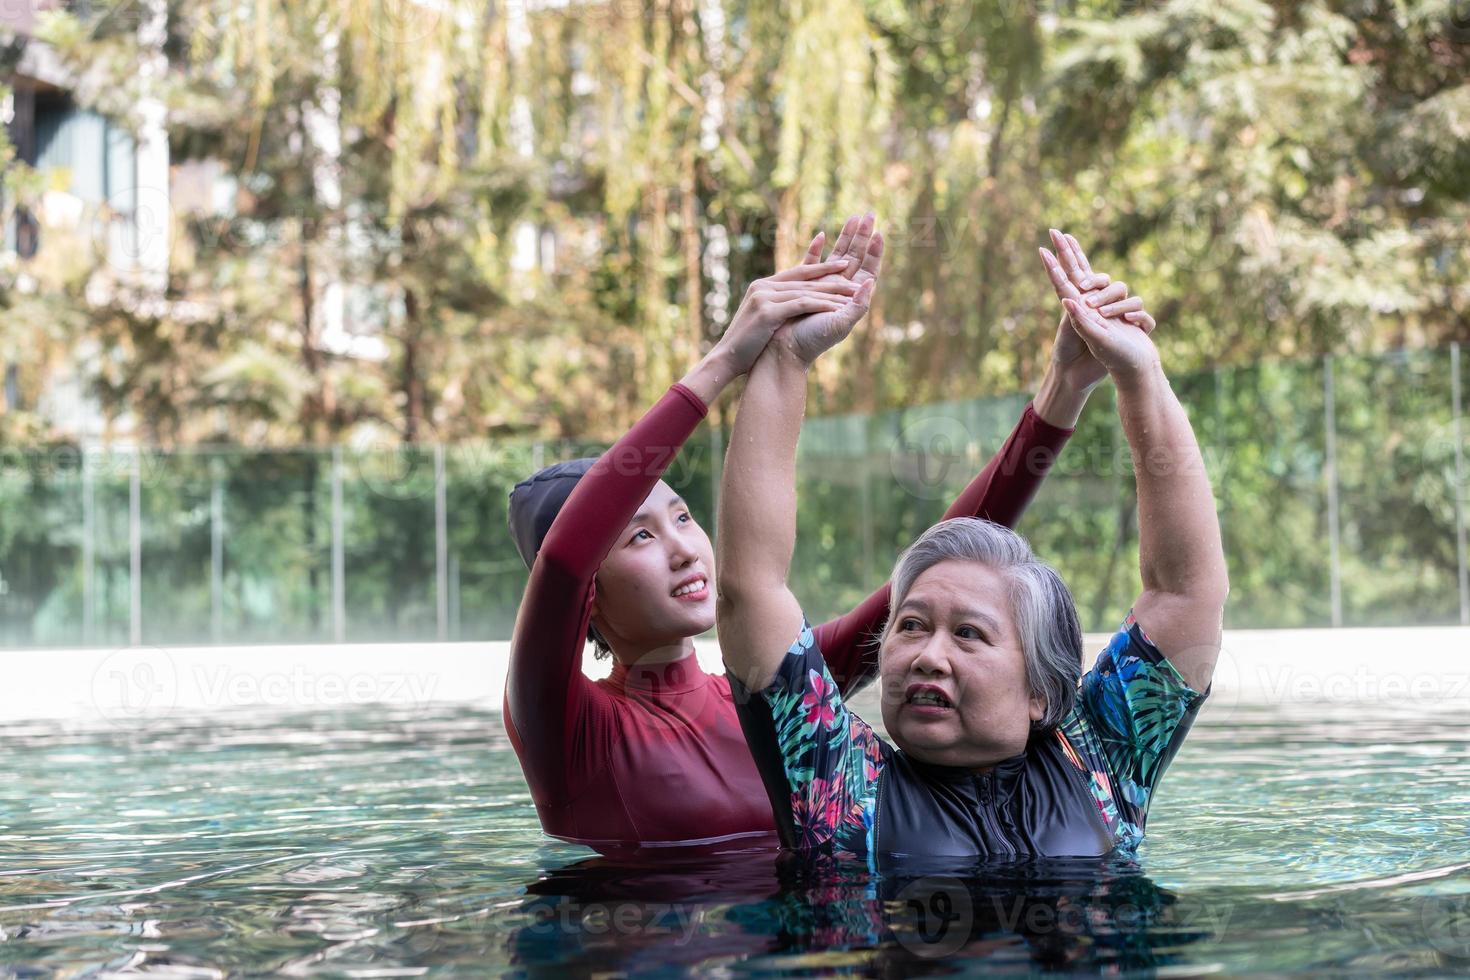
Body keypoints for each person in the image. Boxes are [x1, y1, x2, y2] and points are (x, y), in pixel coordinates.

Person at [504, 217, 1123, 854]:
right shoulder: (566, 726)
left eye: (684, 517)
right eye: (638, 537)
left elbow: (954, 556)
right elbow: (563, 564)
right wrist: (725, 361)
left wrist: (1063, 391)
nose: (686, 547)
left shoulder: (777, 689)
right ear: (589, 596)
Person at [717, 231, 1227, 864]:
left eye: (969, 635)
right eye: (910, 626)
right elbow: (750, 589)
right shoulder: (840, 783)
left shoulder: (1101, 765)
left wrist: (1139, 373)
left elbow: (1186, 591)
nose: (927, 657)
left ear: (1041, 691)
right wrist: (787, 358)